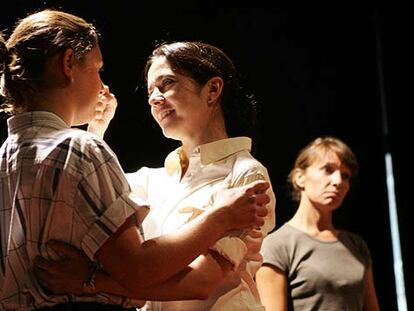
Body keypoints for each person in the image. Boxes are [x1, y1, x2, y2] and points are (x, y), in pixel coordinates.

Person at [0, 10, 271, 310]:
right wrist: (94, 133)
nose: (154, 97)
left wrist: (90, 280)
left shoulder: (245, 174)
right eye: (150, 90)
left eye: (167, 83)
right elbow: (74, 190)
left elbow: (201, 282)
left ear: (213, 90)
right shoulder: (151, 179)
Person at [255, 136, 380, 311]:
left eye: (346, 175)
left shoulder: (356, 245)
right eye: (328, 170)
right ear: (300, 177)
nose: (338, 182)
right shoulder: (277, 245)